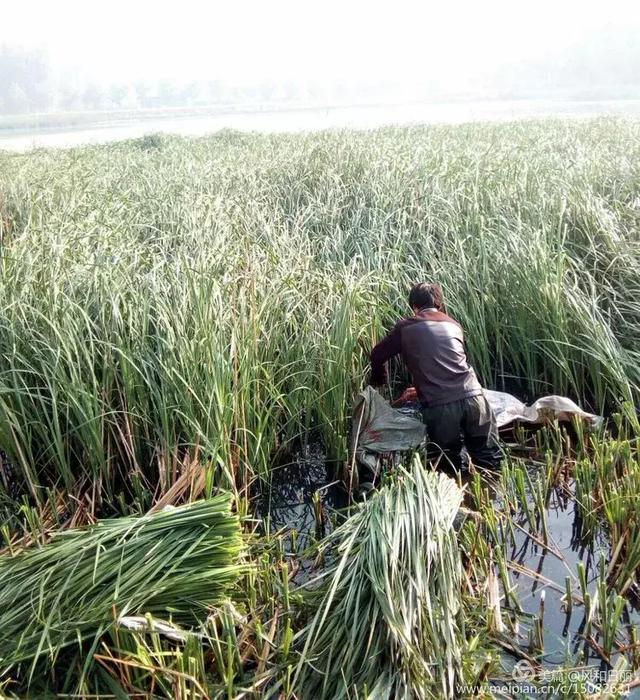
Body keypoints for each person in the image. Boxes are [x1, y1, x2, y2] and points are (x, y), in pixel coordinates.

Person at [369, 283, 502, 469]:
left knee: (450, 465)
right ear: (439, 304)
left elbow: (377, 355)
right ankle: (494, 493)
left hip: (441, 407)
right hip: (476, 398)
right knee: (490, 460)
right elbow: (453, 367)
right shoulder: (454, 325)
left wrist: (379, 378)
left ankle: (461, 496)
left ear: (414, 306)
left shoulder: (406, 327)